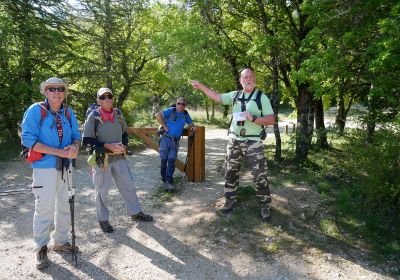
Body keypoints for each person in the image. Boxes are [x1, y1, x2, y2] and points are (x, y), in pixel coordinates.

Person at [190, 68, 275, 222]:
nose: (248, 80)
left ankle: (265, 206)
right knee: (230, 171)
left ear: (254, 79)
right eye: (245, 77)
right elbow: (216, 96)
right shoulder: (235, 95)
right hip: (235, 140)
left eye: (251, 77)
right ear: (241, 80)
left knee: (259, 174)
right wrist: (201, 86)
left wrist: (254, 118)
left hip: (253, 142)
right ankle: (230, 201)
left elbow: (271, 119)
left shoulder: (261, 97)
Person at [21, 77, 81, 269]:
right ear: (45, 92)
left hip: (66, 166)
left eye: (60, 89)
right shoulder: (35, 110)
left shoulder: (68, 113)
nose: (56, 92)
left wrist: (74, 147)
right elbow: (28, 140)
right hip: (44, 167)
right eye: (52, 89)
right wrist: (58, 151)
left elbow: (76, 137)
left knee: (65, 205)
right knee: (44, 208)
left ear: (64, 93)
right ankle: (41, 247)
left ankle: (61, 242)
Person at [82, 87, 153, 234]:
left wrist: (124, 145)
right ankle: (103, 220)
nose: (107, 99)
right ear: (98, 100)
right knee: (102, 191)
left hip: (119, 157)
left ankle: (135, 213)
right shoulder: (93, 116)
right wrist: (107, 146)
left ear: (113, 98)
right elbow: (87, 140)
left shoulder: (118, 114)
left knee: (128, 185)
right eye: (103, 97)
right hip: (102, 159)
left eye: (109, 96)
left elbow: (124, 133)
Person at [155, 97, 196, 191]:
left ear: (185, 105)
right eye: (179, 103)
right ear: (176, 103)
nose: (181, 106)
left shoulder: (185, 114)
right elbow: (157, 115)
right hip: (165, 139)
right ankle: (165, 180)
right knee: (164, 161)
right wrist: (164, 126)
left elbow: (191, 123)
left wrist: (193, 127)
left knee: (171, 161)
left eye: (183, 104)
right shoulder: (170, 111)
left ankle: (169, 181)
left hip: (175, 141)